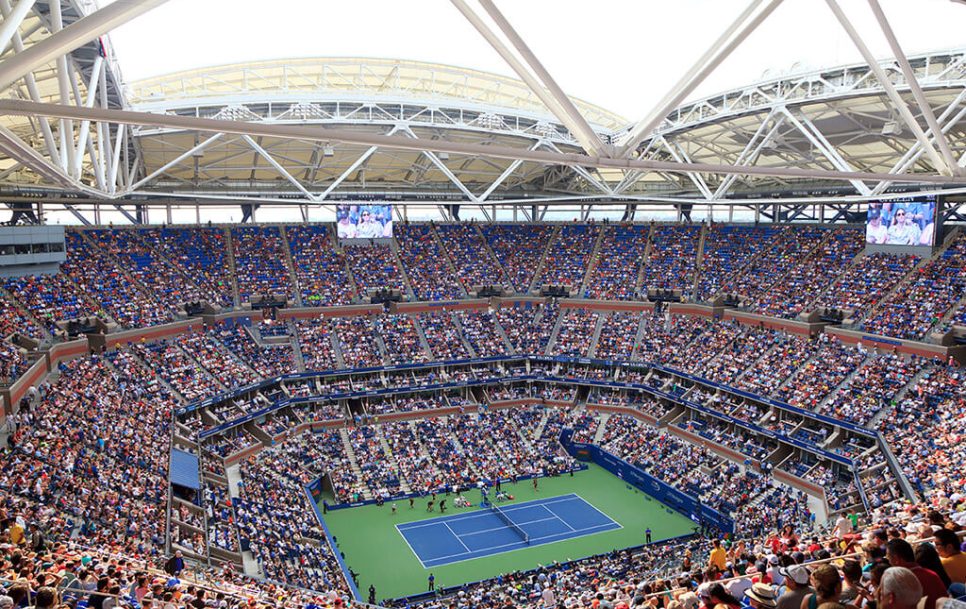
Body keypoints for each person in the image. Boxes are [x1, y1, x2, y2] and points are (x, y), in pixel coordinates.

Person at [885, 538, 946, 609]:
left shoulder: (898, 582)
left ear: (896, 559)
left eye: (888, 557)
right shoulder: (932, 574)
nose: (889, 562)